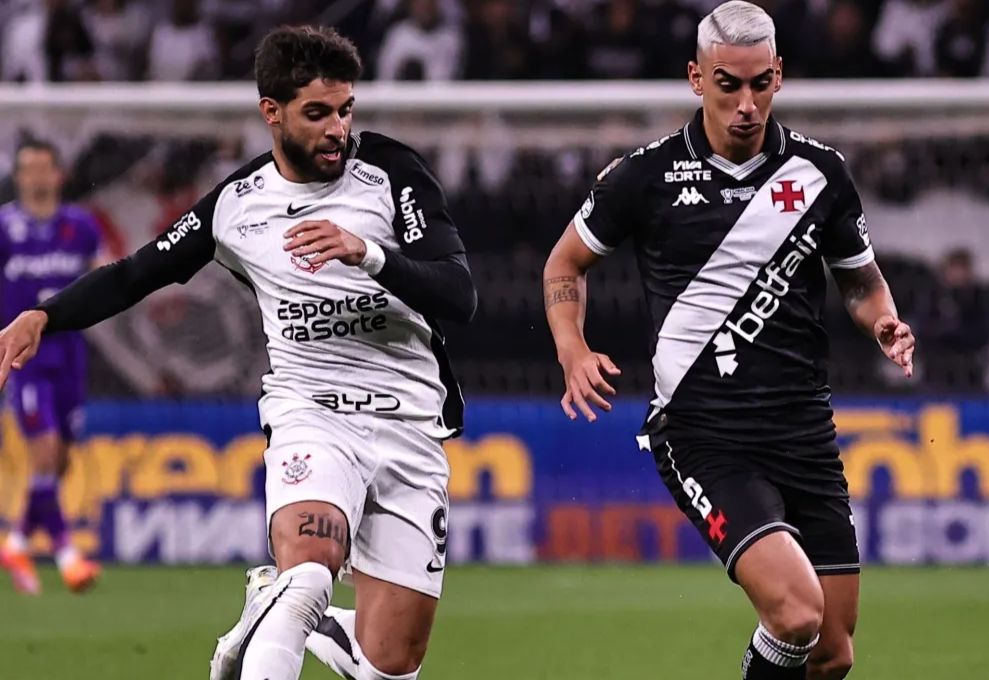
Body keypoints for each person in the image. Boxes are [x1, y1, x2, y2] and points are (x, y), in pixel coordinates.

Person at [0, 25, 475, 680]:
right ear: (271, 113)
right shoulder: (238, 206)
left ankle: (289, 612)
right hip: (312, 415)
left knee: (393, 663)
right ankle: (288, 595)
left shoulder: (392, 173)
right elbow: (138, 273)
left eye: (345, 110)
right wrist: (44, 316)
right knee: (309, 573)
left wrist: (368, 252)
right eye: (317, 114)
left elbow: (458, 293)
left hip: (408, 426)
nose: (337, 129)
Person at [542, 3, 915, 679]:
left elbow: (862, 284)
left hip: (803, 431)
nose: (746, 103)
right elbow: (564, 263)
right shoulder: (645, 177)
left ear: (779, 76)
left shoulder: (820, 173)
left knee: (830, 654)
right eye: (728, 84)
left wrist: (882, 321)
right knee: (796, 614)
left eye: (759, 84)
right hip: (705, 434)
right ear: (695, 78)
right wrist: (573, 348)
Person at [0, 139, 104, 595]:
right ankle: (66, 553)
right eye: (28, 169)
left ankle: (17, 539)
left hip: (70, 355)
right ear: (18, 176)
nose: (37, 177)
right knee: (43, 451)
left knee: (59, 459)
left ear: (59, 174)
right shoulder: (4, 228)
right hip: (25, 359)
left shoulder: (80, 225)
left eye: (44, 168)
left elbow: (105, 274)